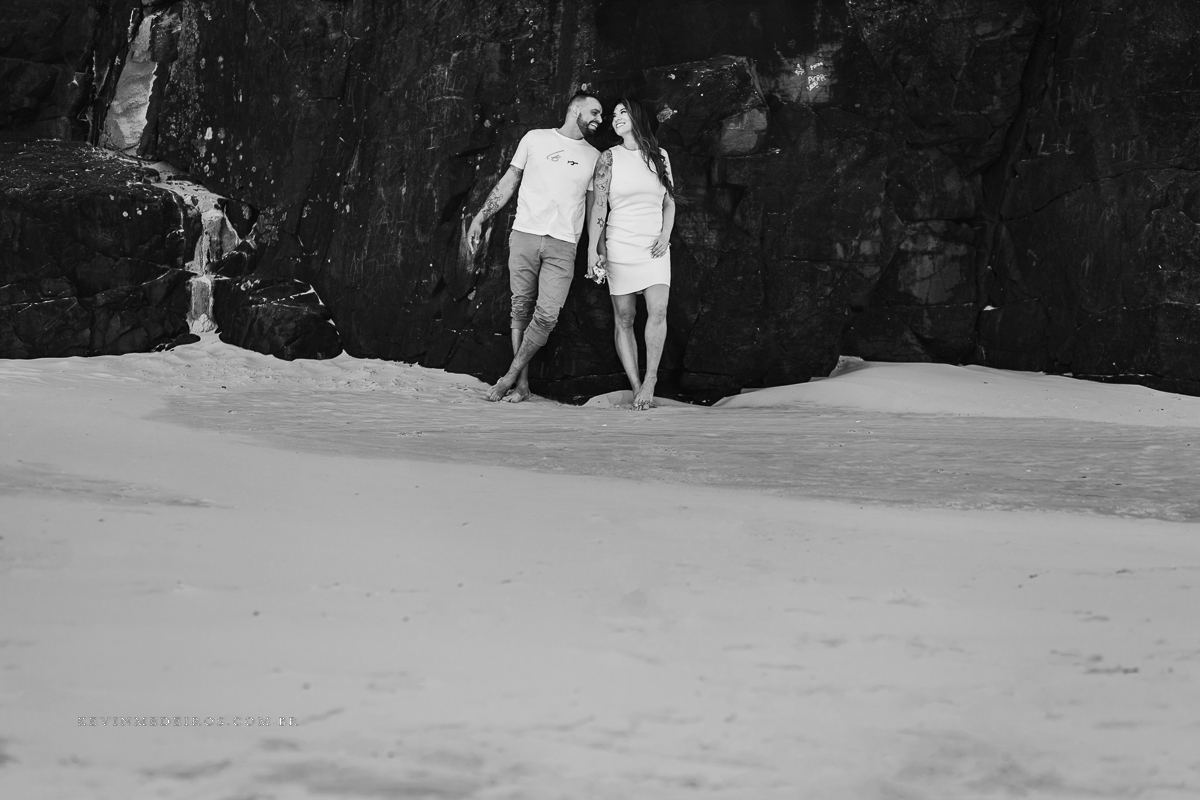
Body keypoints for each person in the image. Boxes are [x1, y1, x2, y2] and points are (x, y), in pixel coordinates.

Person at [465, 91, 604, 402]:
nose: (599, 119)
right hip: (525, 234)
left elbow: (596, 208)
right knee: (521, 308)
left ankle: (510, 375)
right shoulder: (534, 139)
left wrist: (595, 248)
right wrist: (481, 216)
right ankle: (523, 384)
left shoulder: (596, 157)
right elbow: (509, 181)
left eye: (601, 116)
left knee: (547, 316)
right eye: (594, 112)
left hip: (564, 243)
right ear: (574, 109)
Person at [586, 99, 676, 410]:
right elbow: (599, 205)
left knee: (659, 311)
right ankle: (637, 386)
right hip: (619, 244)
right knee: (625, 317)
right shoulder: (608, 158)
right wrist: (595, 249)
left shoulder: (659, 156)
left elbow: (669, 202)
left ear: (637, 116)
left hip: (654, 246)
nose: (615, 119)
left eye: (623, 112)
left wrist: (665, 236)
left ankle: (650, 379)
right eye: (613, 115)